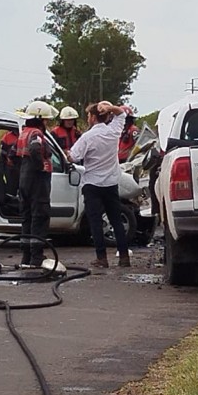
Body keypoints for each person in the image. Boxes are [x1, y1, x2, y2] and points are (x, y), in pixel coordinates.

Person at [69, 101, 131, 269]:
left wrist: (66, 154)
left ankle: (101, 258)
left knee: (95, 221)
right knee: (116, 220)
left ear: (93, 118)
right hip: (111, 183)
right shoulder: (113, 132)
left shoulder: (87, 137)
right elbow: (122, 114)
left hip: (92, 184)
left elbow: (73, 157)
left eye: (89, 115)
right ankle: (124, 257)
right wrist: (110, 108)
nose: (87, 118)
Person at [16, 100, 57, 267]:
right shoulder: (36, 134)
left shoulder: (23, 132)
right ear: (40, 119)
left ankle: (26, 256)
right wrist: (40, 166)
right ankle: (36, 256)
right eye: (45, 120)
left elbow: (13, 156)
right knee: (39, 217)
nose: (47, 123)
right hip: (36, 180)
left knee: (27, 218)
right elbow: (34, 150)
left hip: (25, 179)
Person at [0, 127, 20, 198]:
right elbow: (2, 156)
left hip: (22, 168)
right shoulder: (7, 137)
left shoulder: (24, 135)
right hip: (10, 169)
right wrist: (2, 172)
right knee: (11, 190)